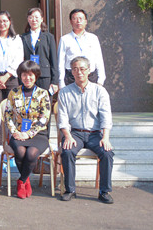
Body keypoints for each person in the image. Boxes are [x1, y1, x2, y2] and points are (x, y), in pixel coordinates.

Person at [58, 56, 115, 204]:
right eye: (75, 69)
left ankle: (104, 191)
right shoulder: (64, 92)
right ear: (71, 72)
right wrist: (67, 136)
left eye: (82, 69)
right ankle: (70, 190)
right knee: (67, 151)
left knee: (107, 153)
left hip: (94, 134)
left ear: (89, 70)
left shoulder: (99, 91)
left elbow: (106, 116)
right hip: (74, 133)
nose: (79, 72)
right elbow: (62, 118)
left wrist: (105, 137)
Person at [3, 60, 52, 199]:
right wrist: (14, 131)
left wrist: (28, 134)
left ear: (36, 76)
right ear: (20, 76)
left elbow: (44, 118)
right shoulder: (14, 92)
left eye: (31, 75)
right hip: (18, 133)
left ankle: (21, 180)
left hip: (38, 134)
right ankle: (26, 180)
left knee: (31, 154)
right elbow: (8, 114)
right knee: (20, 151)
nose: (27, 78)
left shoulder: (43, 93)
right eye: (24, 75)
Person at [58, 9, 106, 87]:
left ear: (86, 21)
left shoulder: (93, 38)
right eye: (75, 18)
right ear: (71, 21)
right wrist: (61, 82)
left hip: (91, 76)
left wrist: (101, 80)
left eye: (81, 18)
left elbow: (99, 60)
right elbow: (61, 62)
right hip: (71, 77)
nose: (78, 21)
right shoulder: (65, 39)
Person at [0, 10, 23, 101]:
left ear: (9, 22)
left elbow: (18, 59)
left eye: (5, 21)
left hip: (11, 77)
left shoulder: (16, 39)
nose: (2, 24)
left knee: (12, 105)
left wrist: (6, 76)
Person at [20, 7, 59, 91]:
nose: (34, 20)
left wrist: (55, 81)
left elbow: (54, 60)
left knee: (44, 98)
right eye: (31, 17)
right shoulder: (23, 37)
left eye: (36, 17)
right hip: (28, 76)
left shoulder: (49, 37)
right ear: (28, 19)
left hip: (44, 75)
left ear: (41, 19)